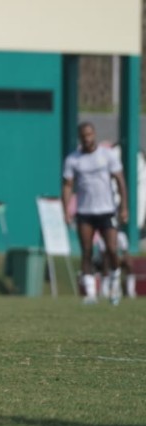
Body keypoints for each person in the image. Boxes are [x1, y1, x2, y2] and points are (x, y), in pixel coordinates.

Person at [62, 122, 128, 305]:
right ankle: (91, 293)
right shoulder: (73, 159)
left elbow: (120, 181)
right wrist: (66, 209)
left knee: (112, 250)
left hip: (107, 210)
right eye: (84, 135)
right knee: (86, 251)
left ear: (95, 134)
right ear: (80, 137)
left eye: (90, 134)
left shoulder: (107, 155)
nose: (87, 138)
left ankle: (115, 282)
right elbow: (67, 185)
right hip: (85, 211)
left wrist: (124, 207)